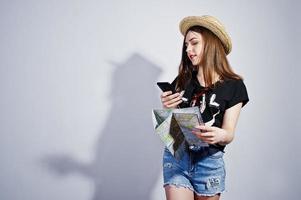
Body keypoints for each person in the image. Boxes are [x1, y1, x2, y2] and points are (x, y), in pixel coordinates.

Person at [160, 15, 249, 200]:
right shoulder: (182, 81)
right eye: (186, 46)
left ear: (211, 44)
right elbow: (173, 128)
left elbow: (229, 133)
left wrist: (220, 135)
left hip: (208, 162)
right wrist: (167, 108)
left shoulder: (234, 86)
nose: (188, 50)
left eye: (194, 43)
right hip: (177, 157)